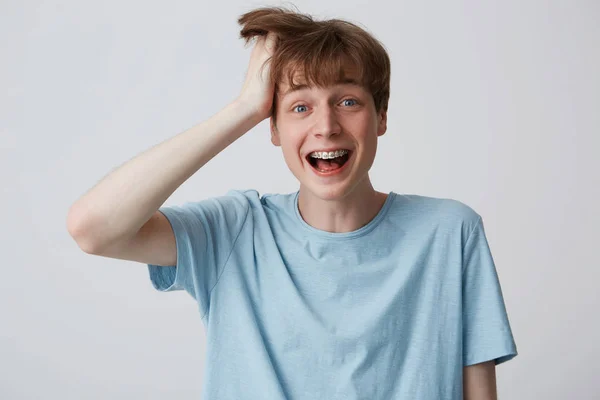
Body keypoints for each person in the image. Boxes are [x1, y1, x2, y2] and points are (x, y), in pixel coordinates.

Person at [66, 6, 517, 400]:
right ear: (273, 128)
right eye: (300, 107)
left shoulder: (450, 232)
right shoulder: (236, 231)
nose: (326, 126)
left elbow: (476, 390)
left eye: (347, 101)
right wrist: (243, 107)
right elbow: (93, 228)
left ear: (381, 117)